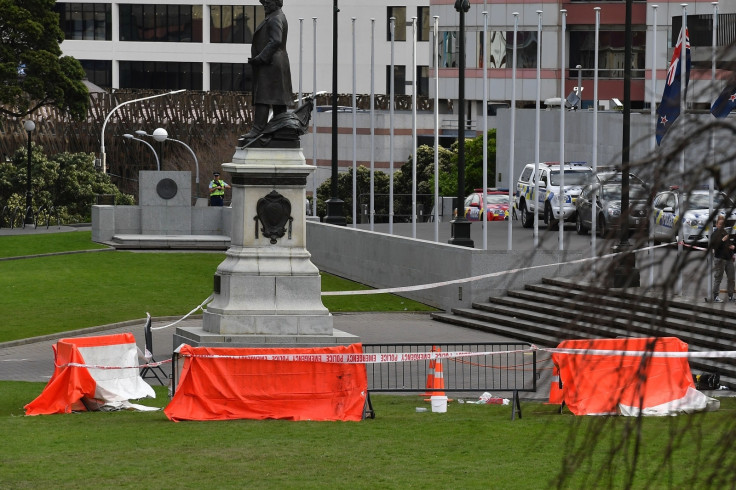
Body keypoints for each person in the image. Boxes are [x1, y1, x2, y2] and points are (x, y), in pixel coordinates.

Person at [240, 0, 292, 141]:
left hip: (271, 64)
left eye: (268, 2)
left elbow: (275, 41)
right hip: (276, 63)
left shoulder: (275, 18)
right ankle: (280, 129)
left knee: (263, 96)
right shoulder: (277, 16)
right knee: (278, 99)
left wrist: (261, 58)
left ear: (276, 3)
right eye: (264, 2)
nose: (265, 5)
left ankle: (258, 129)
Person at [709, 215, 735, 302]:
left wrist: (732, 250)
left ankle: (731, 296)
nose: (721, 226)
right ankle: (715, 296)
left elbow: (728, 245)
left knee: (731, 278)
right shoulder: (714, 234)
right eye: (720, 224)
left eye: (723, 224)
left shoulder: (725, 232)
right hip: (720, 258)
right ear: (716, 224)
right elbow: (714, 246)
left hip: (728, 258)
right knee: (718, 278)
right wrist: (722, 240)